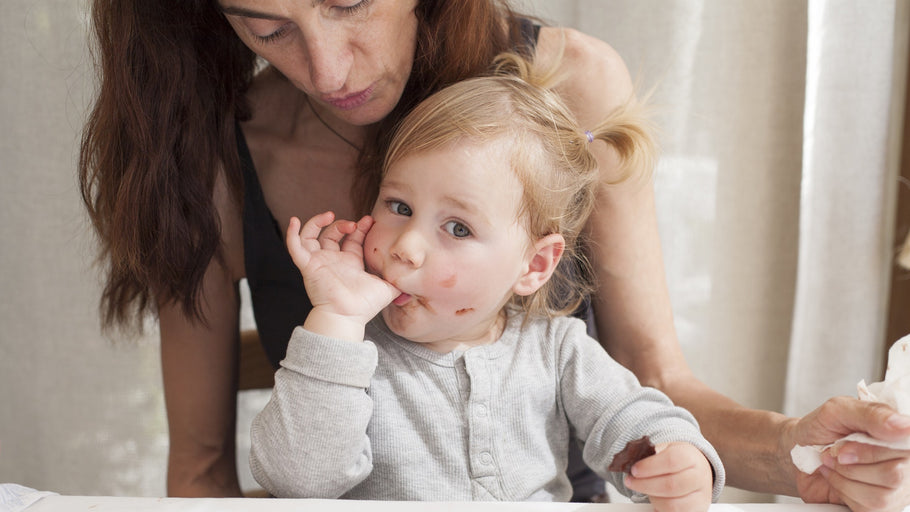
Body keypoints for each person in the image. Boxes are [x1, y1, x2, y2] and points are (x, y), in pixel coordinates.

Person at [77, 0, 910, 509]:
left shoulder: (573, 92)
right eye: (268, 28)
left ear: (536, 263)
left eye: (351, 0)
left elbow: (649, 390)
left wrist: (801, 450)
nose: (327, 71)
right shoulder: (214, 148)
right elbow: (206, 468)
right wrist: (335, 322)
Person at [250, 53, 723, 509]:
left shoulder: (556, 351)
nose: (406, 246)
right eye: (399, 206)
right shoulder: (348, 356)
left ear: (535, 266)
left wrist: (675, 455)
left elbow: (627, 416)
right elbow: (297, 481)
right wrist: (337, 318)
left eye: (458, 228)